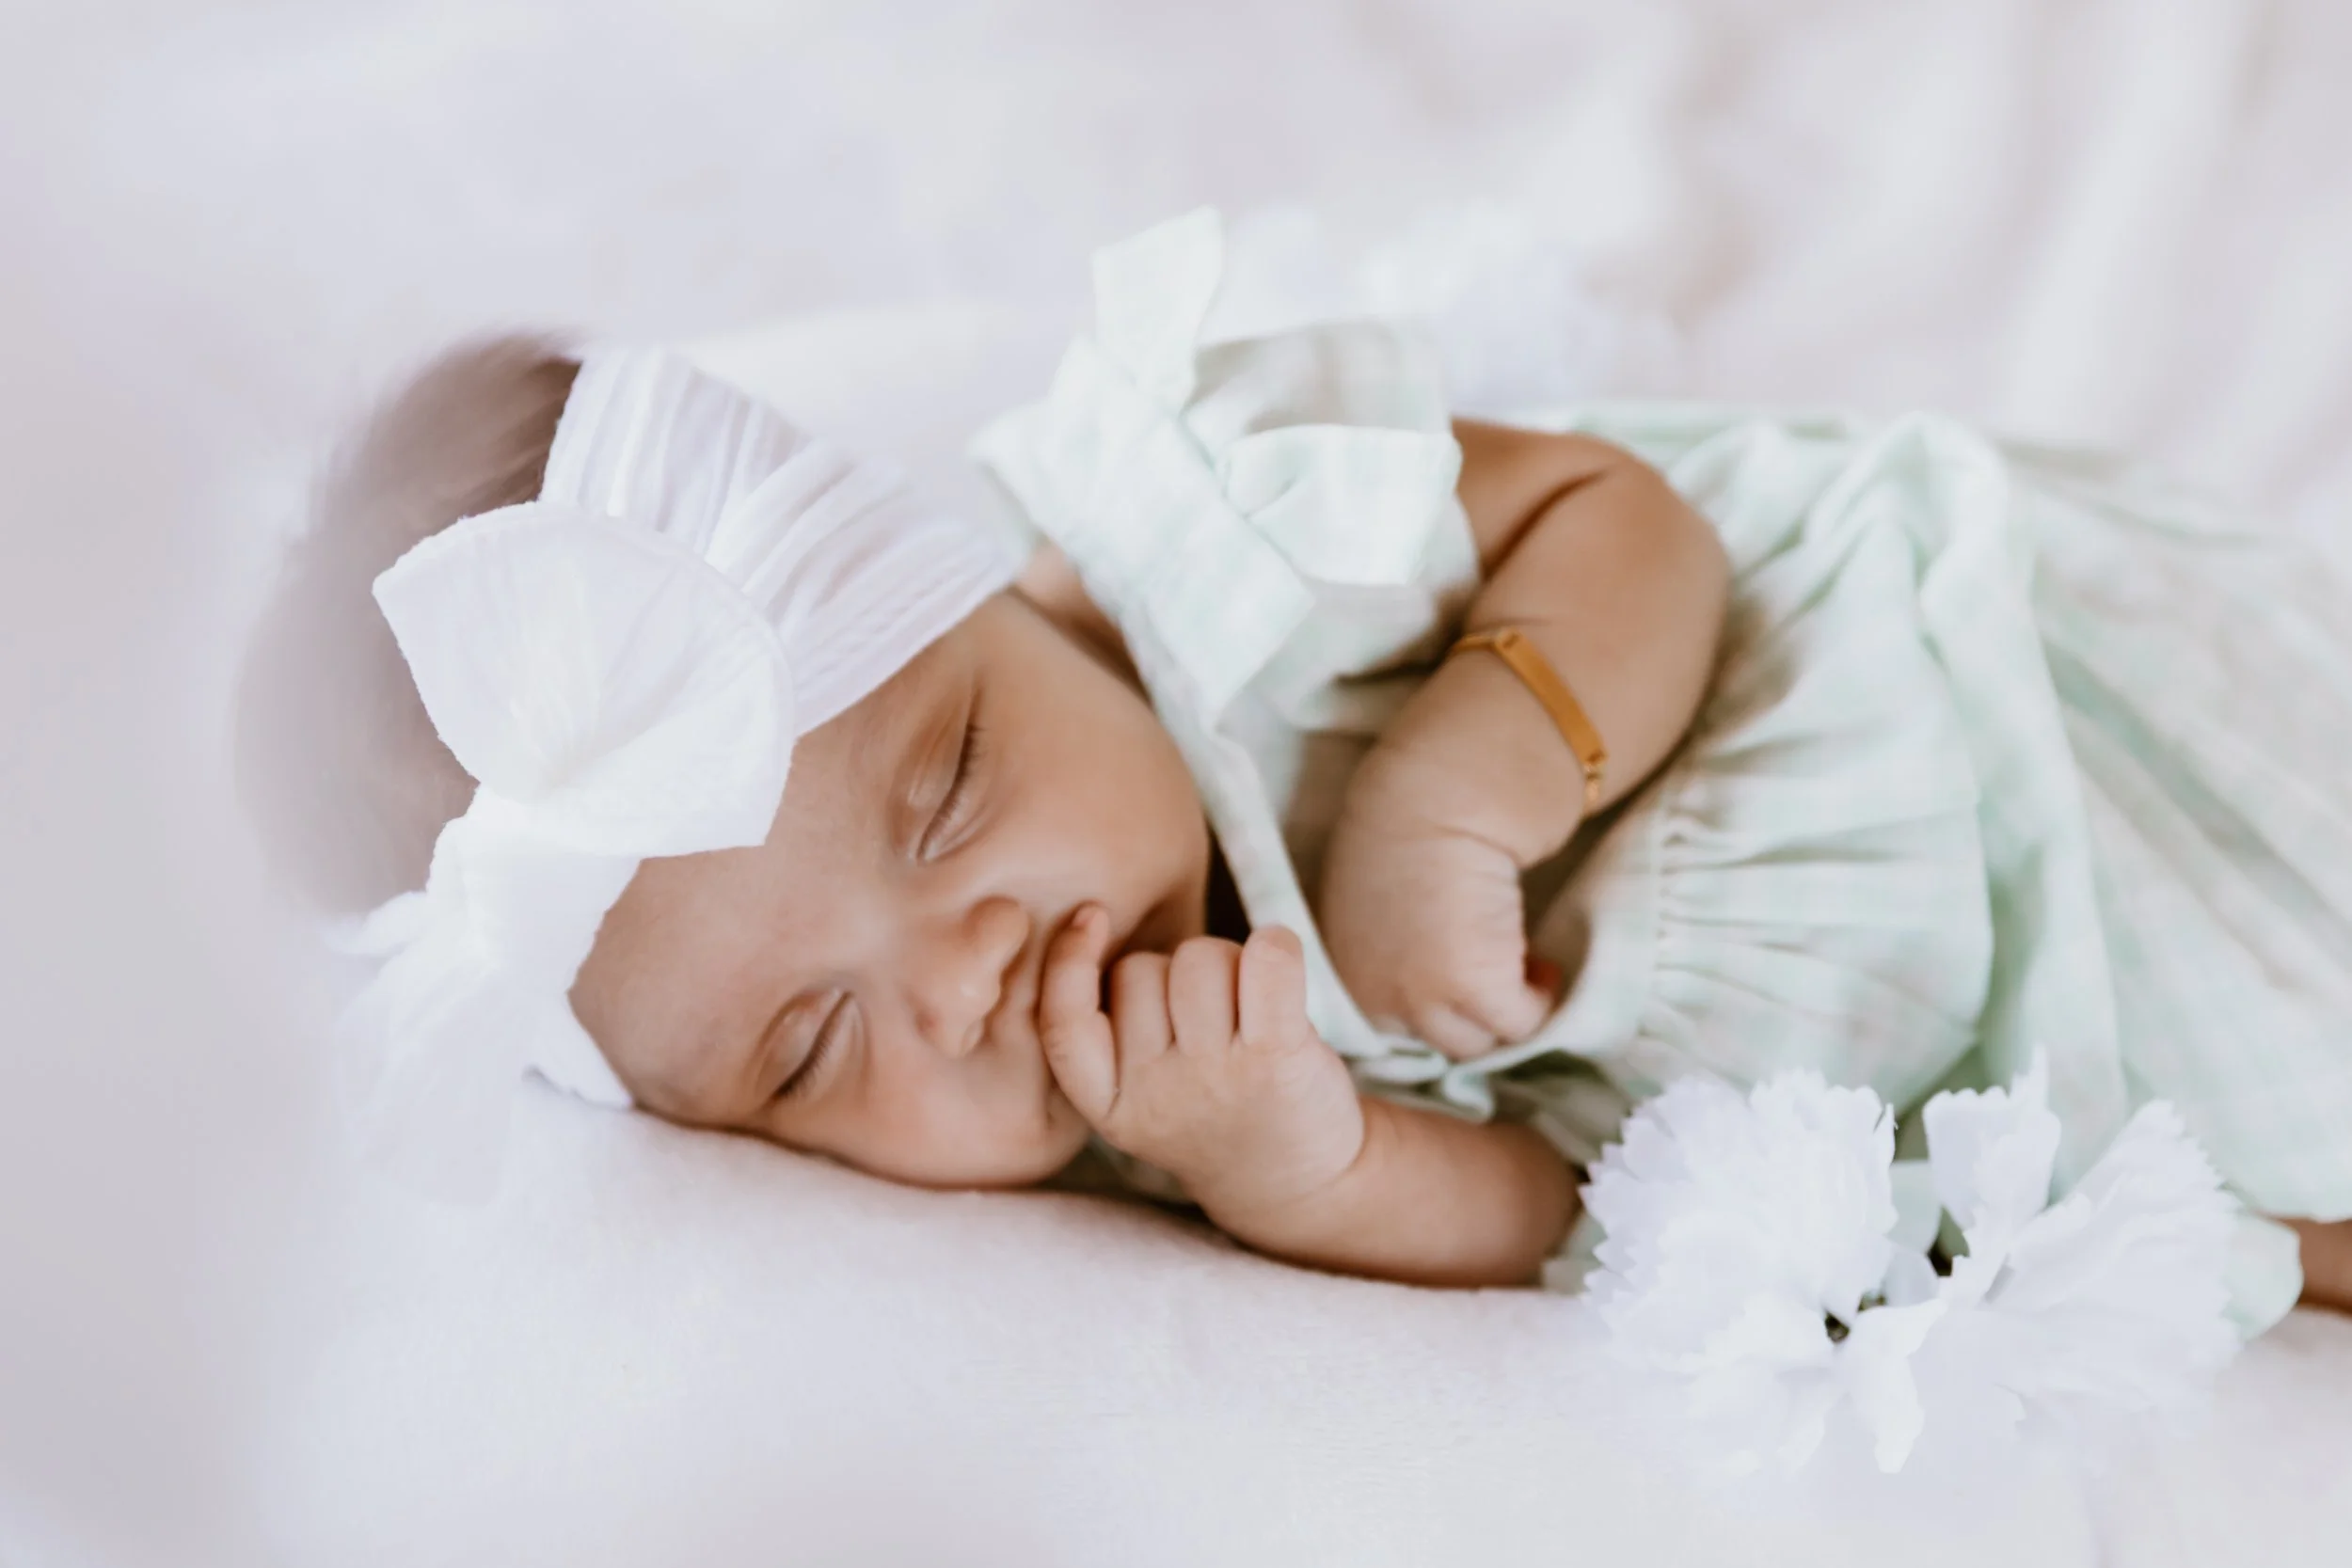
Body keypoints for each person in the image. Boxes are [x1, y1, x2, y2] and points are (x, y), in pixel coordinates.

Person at [239, 212, 2352, 1324]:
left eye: (948, 783)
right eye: (810, 1044)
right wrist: (1304, 1167)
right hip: (1975, 1065)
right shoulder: (1154, 1108)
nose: (965, 961)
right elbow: (1556, 1202)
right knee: (2252, 1203)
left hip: (1984, 701)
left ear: (989, 592)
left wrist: (1459, 785)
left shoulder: (1206, 515)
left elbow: (1621, 518)